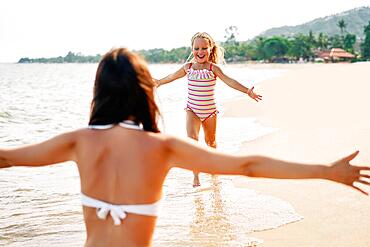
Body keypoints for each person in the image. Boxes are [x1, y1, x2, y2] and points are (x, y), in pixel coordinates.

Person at [0, 48, 369, 247]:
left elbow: (6, 158)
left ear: (99, 92)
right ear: (146, 90)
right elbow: (247, 166)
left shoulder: (78, 141)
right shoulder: (162, 147)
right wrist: (325, 171)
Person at [155, 32, 262, 187]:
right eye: (196, 48)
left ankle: (214, 168)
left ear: (211, 48)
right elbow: (171, 77)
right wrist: (158, 82)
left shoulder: (214, 68)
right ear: (192, 49)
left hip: (210, 111)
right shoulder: (188, 68)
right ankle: (196, 176)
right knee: (192, 142)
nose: (200, 52)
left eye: (204, 48)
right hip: (192, 109)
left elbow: (230, 81)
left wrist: (247, 91)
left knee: (210, 142)